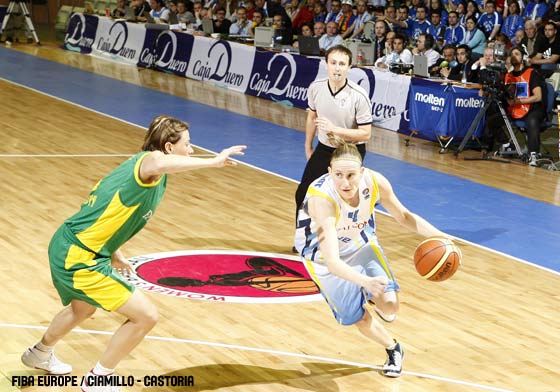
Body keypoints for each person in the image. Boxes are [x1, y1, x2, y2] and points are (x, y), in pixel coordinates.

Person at [20, 116, 246, 391]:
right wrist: (214, 162)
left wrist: (115, 252)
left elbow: (110, 215)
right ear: (168, 147)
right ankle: (99, 378)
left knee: (82, 308)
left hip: (75, 245)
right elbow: (159, 161)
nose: (191, 150)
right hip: (78, 256)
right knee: (146, 316)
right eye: (187, 144)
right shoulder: (149, 162)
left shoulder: (146, 172)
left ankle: (39, 353)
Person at [294, 137, 449, 378]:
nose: (345, 183)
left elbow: (404, 216)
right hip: (322, 258)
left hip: (360, 242)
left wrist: (442, 238)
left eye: (351, 175)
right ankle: (393, 348)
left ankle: (379, 302)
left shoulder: (376, 182)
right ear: (329, 172)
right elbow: (334, 262)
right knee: (358, 317)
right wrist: (364, 282)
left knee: (390, 304)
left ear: (362, 172)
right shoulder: (321, 200)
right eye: (338, 175)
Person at [294, 45, 372, 234]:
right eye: (334, 63)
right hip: (325, 147)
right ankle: (303, 238)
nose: (337, 68)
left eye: (342, 64)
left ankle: (348, 236)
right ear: (326, 64)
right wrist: (308, 146)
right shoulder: (316, 88)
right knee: (303, 193)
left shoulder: (359, 96)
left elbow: (365, 134)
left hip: (350, 151)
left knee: (344, 197)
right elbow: (312, 117)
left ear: (349, 67)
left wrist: (335, 129)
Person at [481, 46, 546, 166]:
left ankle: (534, 154)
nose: (514, 56)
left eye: (517, 54)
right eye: (512, 54)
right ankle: (507, 144)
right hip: (514, 109)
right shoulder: (507, 75)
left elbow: (538, 96)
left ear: (523, 57)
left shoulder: (532, 73)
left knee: (532, 121)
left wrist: (519, 102)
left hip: (532, 108)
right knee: (491, 121)